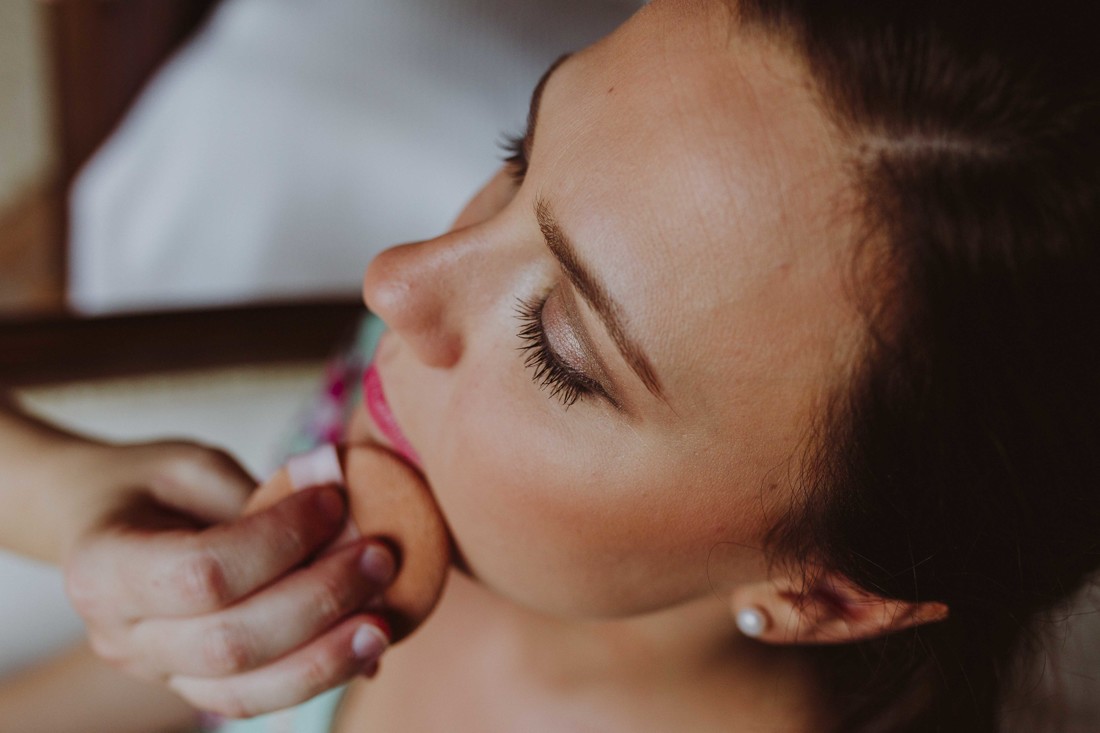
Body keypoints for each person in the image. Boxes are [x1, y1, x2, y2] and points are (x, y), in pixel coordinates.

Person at [6, 0, 1100, 730]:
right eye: (517, 158)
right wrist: (64, 500)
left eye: (559, 351)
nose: (396, 282)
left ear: (823, 593)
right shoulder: (401, 447)